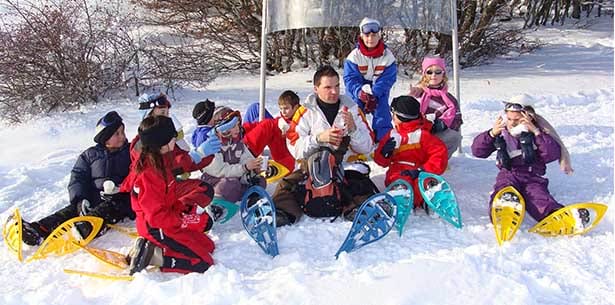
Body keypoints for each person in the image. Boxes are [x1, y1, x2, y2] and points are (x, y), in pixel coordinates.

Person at [273, 65, 375, 225]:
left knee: (358, 182)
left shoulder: (353, 110)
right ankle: (282, 214)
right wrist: (319, 138)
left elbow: (368, 147)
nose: (334, 92)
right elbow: (295, 149)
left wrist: (354, 130)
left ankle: (357, 210)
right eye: (328, 87)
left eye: (337, 86)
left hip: (344, 166)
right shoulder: (304, 112)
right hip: (311, 168)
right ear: (316, 89)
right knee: (287, 185)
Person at [13, 111, 134, 246]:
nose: (122, 136)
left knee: (109, 209)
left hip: (119, 197)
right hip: (93, 197)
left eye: (123, 132)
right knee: (71, 211)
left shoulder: (131, 152)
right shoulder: (90, 155)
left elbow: (138, 173)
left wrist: (121, 188)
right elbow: (78, 176)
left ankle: (87, 227)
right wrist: (80, 198)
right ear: (105, 137)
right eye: (117, 134)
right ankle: (39, 229)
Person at [122, 116, 221, 275]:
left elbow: (185, 162)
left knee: (209, 246)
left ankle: (152, 248)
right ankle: (158, 258)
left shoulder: (162, 158)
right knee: (203, 263)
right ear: (162, 144)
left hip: (168, 216)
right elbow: (156, 217)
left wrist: (204, 153)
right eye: (172, 138)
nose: (175, 140)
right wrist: (188, 221)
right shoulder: (149, 174)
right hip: (156, 227)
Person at [470, 102, 588, 225]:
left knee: (538, 197)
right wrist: (491, 134)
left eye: (517, 119)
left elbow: (551, 154)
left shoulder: (536, 133)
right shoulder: (502, 133)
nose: (512, 123)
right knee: (504, 189)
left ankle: (557, 216)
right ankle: (503, 210)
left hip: (532, 175)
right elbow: (478, 151)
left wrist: (536, 132)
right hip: (509, 173)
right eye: (509, 119)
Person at [374, 96, 448, 209]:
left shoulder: (422, 135)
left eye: (393, 114)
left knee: (421, 182)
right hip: (398, 170)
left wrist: (424, 169)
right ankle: (401, 194)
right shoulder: (392, 135)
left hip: (419, 170)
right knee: (400, 181)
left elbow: (439, 154)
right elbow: (381, 161)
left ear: (399, 116)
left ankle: (428, 194)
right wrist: (384, 153)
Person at [343, 17, 397, 142]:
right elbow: (350, 78)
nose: (370, 39)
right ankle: (354, 137)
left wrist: (374, 93)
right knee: (354, 110)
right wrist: (360, 93)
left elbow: (388, 78)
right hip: (358, 90)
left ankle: (383, 139)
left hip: (378, 89)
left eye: (374, 35)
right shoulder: (354, 56)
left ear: (379, 36)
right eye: (367, 35)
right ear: (361, 36)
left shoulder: (387, 56)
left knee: (382, 111)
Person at [200, 106, 265, 203]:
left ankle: (249, 198)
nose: (237, 129)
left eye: (238, 125)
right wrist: (244, 168)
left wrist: (254, 169)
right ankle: (216, 201)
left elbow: (246, 159)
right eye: (233, 126)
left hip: (236, 180)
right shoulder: (212, 145)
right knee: (230, 184)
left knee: (260, 181)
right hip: (215, 182)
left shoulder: (238, 143)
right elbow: (220, 171)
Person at [409, 56, 463, 159]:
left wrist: (443, 125)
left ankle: (437, 161)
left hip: (436, 135)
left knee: (454, 137)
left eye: (438, 72)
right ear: (424, 74)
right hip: (417, 134)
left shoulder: (449, 99)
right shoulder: (417, 94)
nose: (433, 75)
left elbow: (457, 119)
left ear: (443, 74)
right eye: (429, 72)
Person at [242, 90, 301, 173]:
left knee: (268, 124)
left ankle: (246, 149)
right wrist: (243, 129)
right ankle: (240, 134)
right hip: (279, 135)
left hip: (289, 155)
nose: (283, 112)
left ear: (295, 107)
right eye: (281, 109)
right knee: (255, 108)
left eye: (286, 108)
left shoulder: (303, 120)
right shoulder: (283, 120)